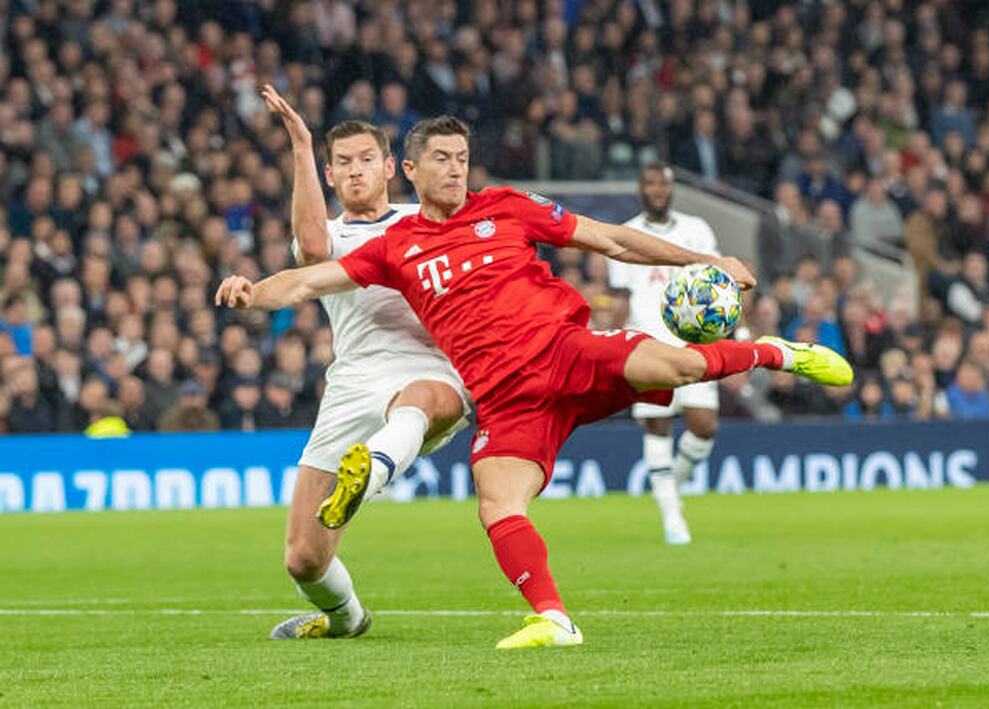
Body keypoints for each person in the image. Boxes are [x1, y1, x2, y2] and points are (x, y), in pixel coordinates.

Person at [216, 116, 853, 650]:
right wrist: (251, 293)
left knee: (681, 366)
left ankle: (773, 352)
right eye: (441, 158)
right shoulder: (396, 246)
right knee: (495, 501)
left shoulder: (508, 207)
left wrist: (704, 259)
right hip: (504, 398)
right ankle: (554, 618)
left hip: (563, 351)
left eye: (463, 158)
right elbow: (306, 276)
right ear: (410, 169)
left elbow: (612, 242)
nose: (456, 169)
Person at [256, 87, 470, 641]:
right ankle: (347, 620)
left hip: (431, 371)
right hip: (352, 384)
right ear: (330, 176)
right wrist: (300, 143)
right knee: (303, 558)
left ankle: (373, 470)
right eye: (343, 164)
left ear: (389, 168)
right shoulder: (334, 235)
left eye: (366, 160)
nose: (355, 172)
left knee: (419, 399)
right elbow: (308, 247)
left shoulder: (423, 221)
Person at [606, 163, 720, 545]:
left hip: (693, 345)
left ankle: (672, 491)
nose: (657, 190)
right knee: (658, 426)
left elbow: (718, 285)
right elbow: (621, 297)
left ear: (672, 189)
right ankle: (673, 520)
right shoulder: (626, 234)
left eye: (663, 184)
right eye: (650, 183)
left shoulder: (697, 230)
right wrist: (614, 346)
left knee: (704, 426)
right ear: (640, 188)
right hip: (647, 347)